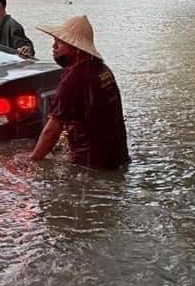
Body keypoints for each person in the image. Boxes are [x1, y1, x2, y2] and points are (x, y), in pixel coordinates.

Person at [29, 15, 129, 170]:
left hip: (91, 164)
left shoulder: (74, 79)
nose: (53, 47)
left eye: (59, 42)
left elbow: (52, 131)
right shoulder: (103, 69)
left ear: (75, 48)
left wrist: (32, 160)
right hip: (118, 157)